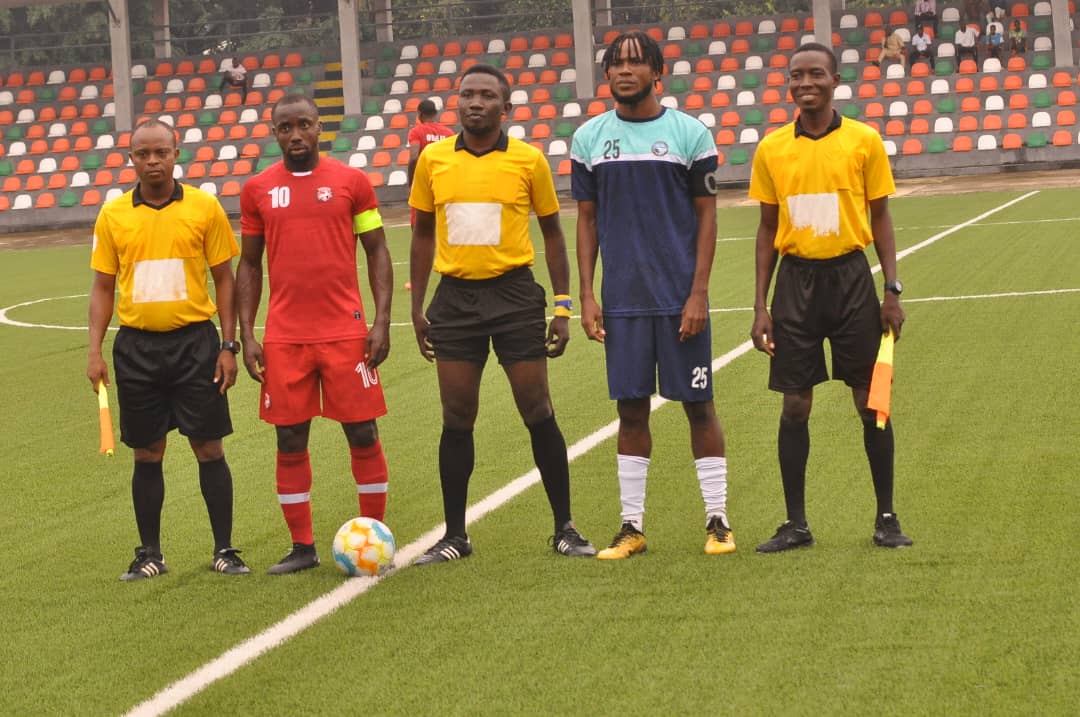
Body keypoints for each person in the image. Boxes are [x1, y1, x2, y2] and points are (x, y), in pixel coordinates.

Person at [408, 64, 596, 565]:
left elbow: (554, 234)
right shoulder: (433, 160)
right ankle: (455, 535)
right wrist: (417, 304)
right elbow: (423, 233)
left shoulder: (529, 161)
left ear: (504, 108)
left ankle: (565, 527)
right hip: (455, 299)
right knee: (456, 415)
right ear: (457, 103)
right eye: (467, 94)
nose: (474, 102)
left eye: (486, 95)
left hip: (514, 296)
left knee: (537, 409)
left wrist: (561, 305)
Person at [570, 30, 734, 560]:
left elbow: (708, 216)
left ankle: (718, 522)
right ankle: (631, 527)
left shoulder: (690, 134)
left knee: (699, 407)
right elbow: (587, 220)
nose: (623, 71)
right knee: (631, 412)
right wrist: (588, 295)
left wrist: (699, 293)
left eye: (635, 63)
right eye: (615, 63)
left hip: (678, 298)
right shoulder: (589, 138)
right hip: (622, 302)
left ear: (657, 74)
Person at [747, 43, 913, 553]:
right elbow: (766, 227)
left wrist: (891, 288)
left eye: (815, 73)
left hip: (851, 280)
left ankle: (886, 517)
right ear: (789, 84)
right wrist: (760, 305)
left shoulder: (864, 141)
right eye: (797, 76)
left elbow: (880, 217)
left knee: (871, 402)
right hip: (795, 284)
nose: (806, 83)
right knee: (795, 405)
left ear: (835, 79)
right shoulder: (772, 148)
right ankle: (796, 523)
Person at [237, 94, 393, 575]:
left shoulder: (351, 182)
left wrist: (381, 320)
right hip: (285, 338)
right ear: (274, 132)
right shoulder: (258, 190)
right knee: (289, 439)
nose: (296, 135)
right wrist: (247, 334)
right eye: (286, 127)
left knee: (362, 431)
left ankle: (372, 536)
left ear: (319, 126)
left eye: (304, 125)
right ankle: (301, 547)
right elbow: (248, 263)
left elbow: (378, 250)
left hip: (345, 334)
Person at [87, 118, 248, 580]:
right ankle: (150, 554)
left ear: (176, 152)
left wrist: (229, 344)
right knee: (147, 452)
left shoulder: (204, 207)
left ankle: (225, 550)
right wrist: (94, 351)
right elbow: (102, 287)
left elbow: (224, 278)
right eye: (144, 154)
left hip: (196, 345)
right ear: (131, 158)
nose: (153, 161)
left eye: (161, 152)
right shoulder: (113, 214)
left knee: (209, 448)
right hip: (136, 349)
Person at [406, 98, 454, 227]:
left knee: (419, 226)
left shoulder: (416, 131)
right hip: (445, 183)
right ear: (435, 114)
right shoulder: (449, 133)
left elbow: (414, 158)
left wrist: (411, 184)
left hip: (424, 183)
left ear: (420, 115)